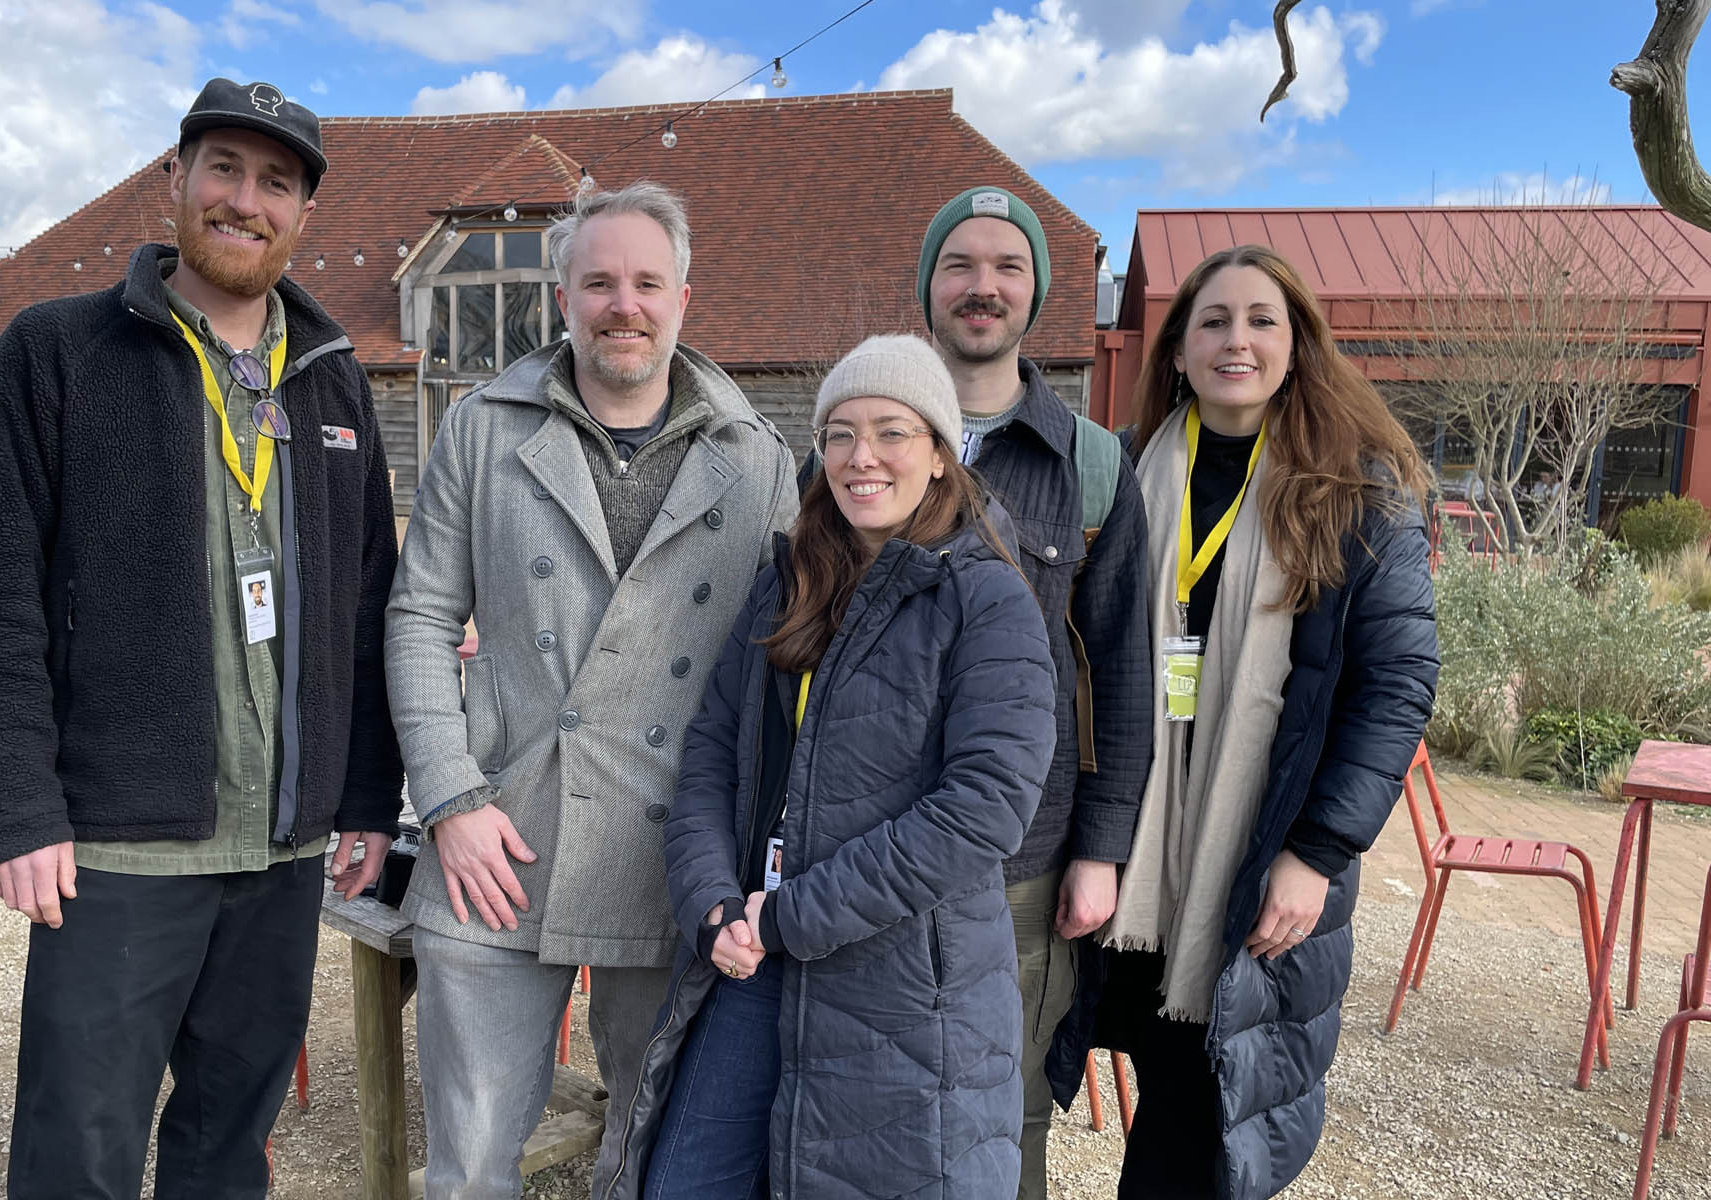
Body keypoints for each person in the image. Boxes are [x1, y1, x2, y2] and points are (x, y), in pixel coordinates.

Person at [0, 78, 404, 1198]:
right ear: (175, 181)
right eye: (225, 171)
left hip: (285, 851)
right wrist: (14, 811)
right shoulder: (55, 354)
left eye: (276, 182)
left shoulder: (332, 376)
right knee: (77, 1153)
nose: (246, 200)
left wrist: (360, 798)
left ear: (303, 213)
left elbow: (366, 604)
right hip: (118, 848)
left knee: (226, 1146)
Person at [384, 180, 798, 1199]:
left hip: (676, 859)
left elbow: (788, 665)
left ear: (683, 300)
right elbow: (418, 618)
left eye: (646, 283)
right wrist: (447, 799)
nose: (625, 305)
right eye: (599, 282)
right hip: (500, 843)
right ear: (560, 298)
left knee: (657, 1160)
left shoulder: (756, 459)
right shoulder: (481, 430)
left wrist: (756, 853)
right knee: (469, 1165)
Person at [606, 334, 1056, 1200]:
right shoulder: (789, 581)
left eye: (891, 431)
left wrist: (792, 916)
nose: (861, 458)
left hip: (903, 984)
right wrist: (708, 898)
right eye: (841, 434)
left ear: (938, 452)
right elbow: (711, 751)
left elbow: (982, 810)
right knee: (681, 1182)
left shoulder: (984, 598)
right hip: (751, 950)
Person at [1064, 244, 1438, 1200]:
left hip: (1259, 854)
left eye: (1262, 320)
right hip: (1138, 849)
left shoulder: (1360, 494)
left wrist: (1316, 853)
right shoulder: (1125, 477)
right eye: (1214, 321)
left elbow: (1395, 688)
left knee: (1202, 1128)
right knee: (1169, 1084)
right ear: (1178, 351)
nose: (1238, 340)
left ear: (1297, 344)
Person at [915, 187, 1153, 1187]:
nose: (982, 286)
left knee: (1002, 1116)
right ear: (927, 287)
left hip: (1023, 862)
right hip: (866, 844)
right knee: (867, 1094)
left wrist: (1099, 851)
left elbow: (1127, 677)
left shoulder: (1090, 465)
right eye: (959, 264)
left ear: (1036, 294)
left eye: (1006, 268)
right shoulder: (860, 440)